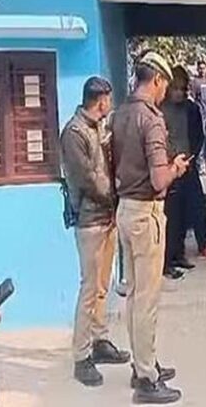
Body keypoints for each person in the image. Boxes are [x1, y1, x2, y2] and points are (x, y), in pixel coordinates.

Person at [111, 52, 188, 404]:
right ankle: (146, 379)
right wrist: (175, 168)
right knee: (147, 299)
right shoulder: (151, 119)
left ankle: (142, 363)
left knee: (133, 295)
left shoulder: (120, 113)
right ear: (156, 79)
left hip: (125, 210)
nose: (165, 92)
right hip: (146, 214)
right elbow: (158, 179)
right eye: (165, 85)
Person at [60, 76, 131, 386]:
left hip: (107, 217)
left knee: (103, 285)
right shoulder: (74, 133)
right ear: (100, 100)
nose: (110, 105)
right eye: (108, 100)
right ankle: (81, 355)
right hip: (89, 220)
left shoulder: (99, 126)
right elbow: (88, 179)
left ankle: (100, 340)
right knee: (89, 288)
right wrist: (116, 198)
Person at [161, 66, 206, 280]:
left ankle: (183, 253)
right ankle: (169, 258)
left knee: (195, 207)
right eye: (175, 88)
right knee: (172, 215)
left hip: (189, 165)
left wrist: (192, 156)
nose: (179, 92)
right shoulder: (159, 109)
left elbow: (198, 136)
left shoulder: (191, 109)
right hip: (169, 168)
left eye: (182, 88)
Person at [190, 60, 206, 173]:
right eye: (200, 68)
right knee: (201, 138)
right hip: (200, 114)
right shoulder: (195, 82)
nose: (202, 70)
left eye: (204, 68)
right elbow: (193, 98)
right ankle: (200, 164)